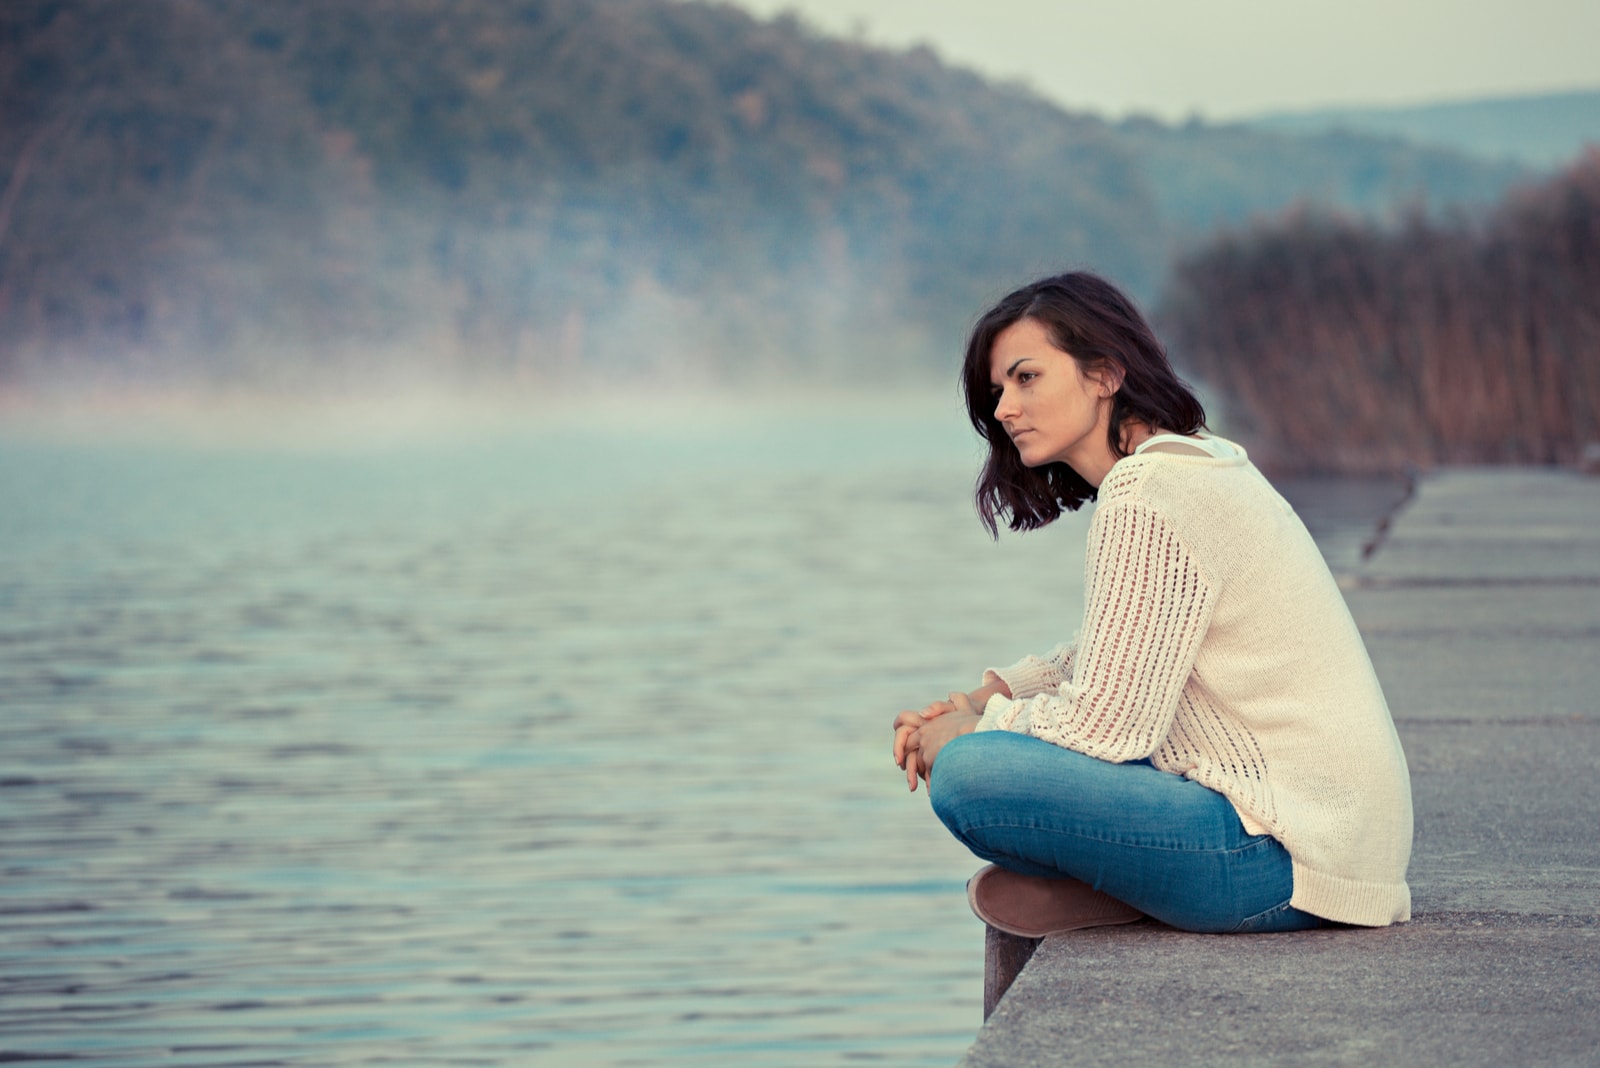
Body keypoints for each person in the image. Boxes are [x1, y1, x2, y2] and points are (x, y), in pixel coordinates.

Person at [892, 272, 1412, 936]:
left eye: (1026, 378)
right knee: (998, 746)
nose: (1003, 410)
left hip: (1283, 855)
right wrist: (979, 697)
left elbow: (1108, 727)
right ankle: (1131, 888)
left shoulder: (1150, 490)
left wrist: (970, 731)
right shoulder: (1195, 462)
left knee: (969, 774)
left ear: (1105, 373)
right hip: (1335, 845)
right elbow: (1115, 652)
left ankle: (1129, 885)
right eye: (997, 391)